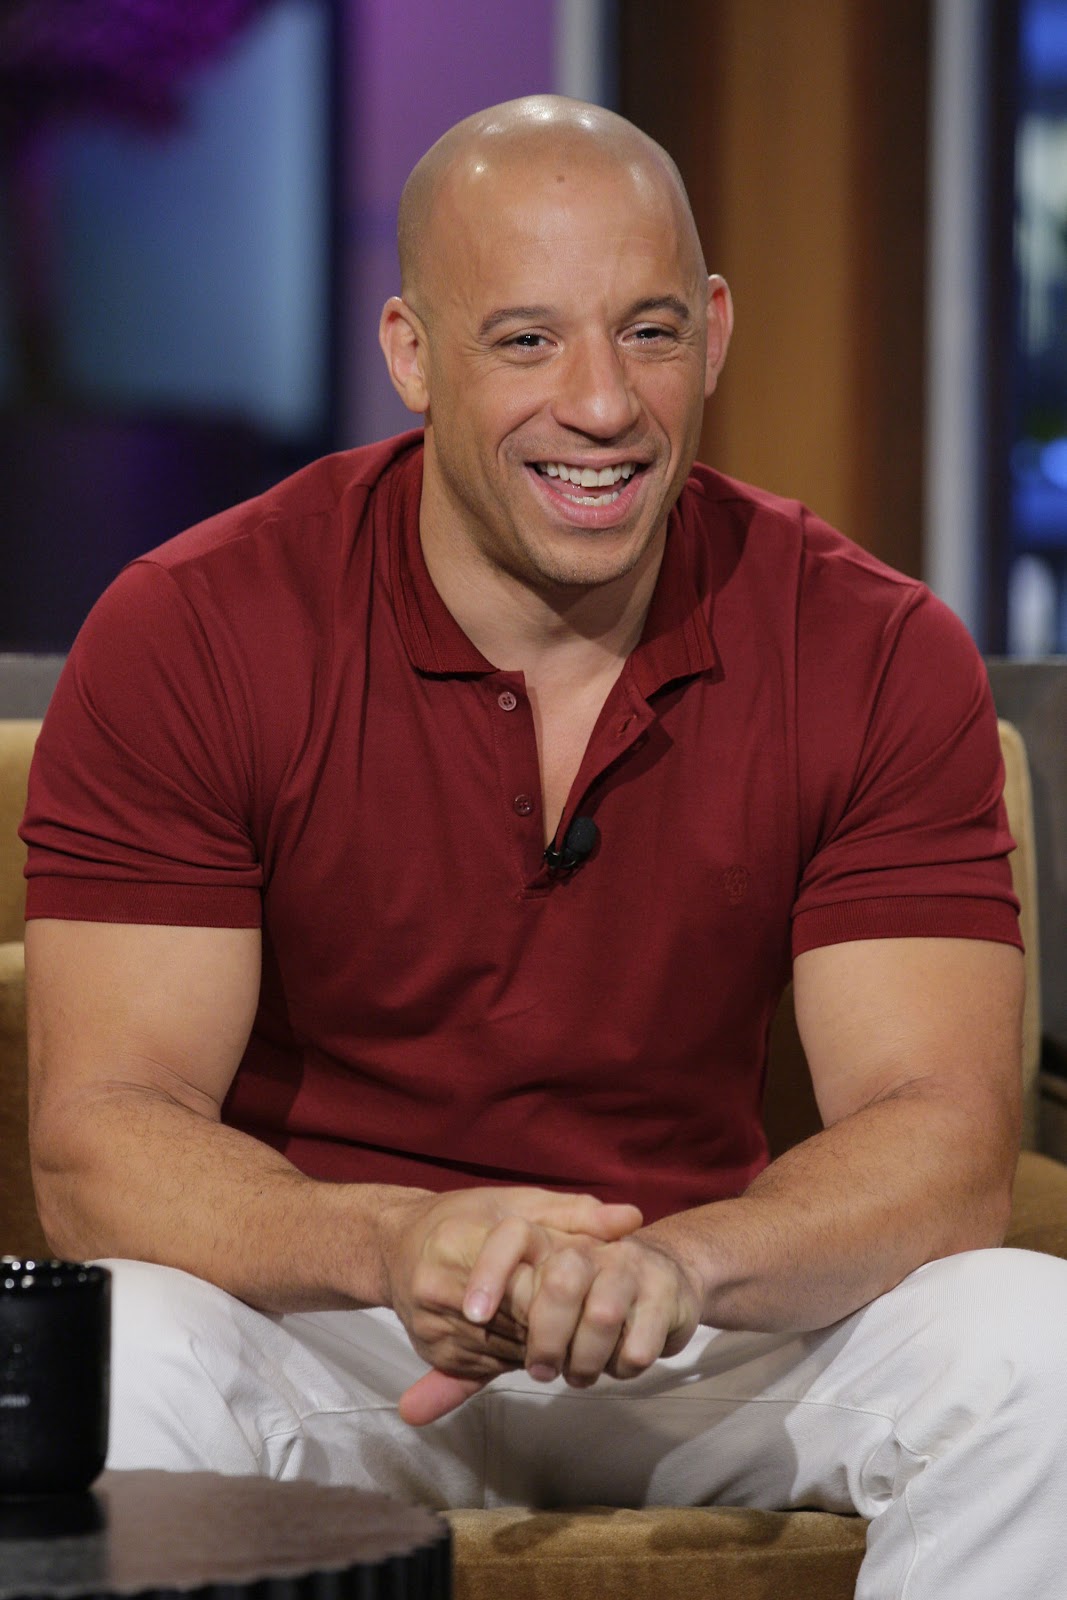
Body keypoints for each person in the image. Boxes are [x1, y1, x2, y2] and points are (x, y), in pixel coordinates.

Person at [19, 95, 1067, 1596]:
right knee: (117, 1360)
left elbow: (943, 1137)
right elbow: (101, 1132)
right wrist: (397, 1245)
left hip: (701, 1315)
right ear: (410, 354)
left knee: (1044, 1349)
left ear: (712, 332)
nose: (600, 405)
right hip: (336, 1311)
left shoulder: (872, 644)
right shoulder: (193, 627)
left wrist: (680, 1264)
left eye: (645, 332)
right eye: (524, 340)